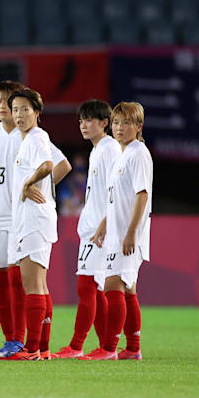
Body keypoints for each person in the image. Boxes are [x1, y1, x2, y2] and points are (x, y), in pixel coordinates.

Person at [0, 81, 71, 358]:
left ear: (32, 111)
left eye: (15, 105)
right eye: (1, 102)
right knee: (4, 282)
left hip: (23, 220)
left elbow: (60, 165)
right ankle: (18, 343)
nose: (6, 108)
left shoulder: (33, 136)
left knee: (24, 283)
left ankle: (25, 343)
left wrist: (37, 188)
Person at [80, 101, 152, 361]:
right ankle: (132, 348)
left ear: (138, 127)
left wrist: (131, 232)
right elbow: (117, 198)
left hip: (126, 234)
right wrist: (105, 223)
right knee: (128, 290)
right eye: (118, 123)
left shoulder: (138, 153)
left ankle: (109, 347)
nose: (121, 128)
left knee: (113, 286)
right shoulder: (122, 154)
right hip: (116, 231)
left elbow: (142, 196)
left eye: (127, 123)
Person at [53, 100, 121, 359]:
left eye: (90, 119)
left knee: (86, 286)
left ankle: (76, 345)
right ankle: (106, 347)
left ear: (104, 123)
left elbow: (117, 190)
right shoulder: (98, 150)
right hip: (93, 226)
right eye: (81, 120)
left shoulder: (109, 149)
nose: (83, 124)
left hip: (100, 229)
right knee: (93, 286)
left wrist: (105, 222)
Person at [0, 88, 57, 361]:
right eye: (15, 109)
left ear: (37, 112)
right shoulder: (26, 140)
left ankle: (32, 348)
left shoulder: (37, 137)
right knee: (41, 286)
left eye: (25, 109)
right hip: (32, 221)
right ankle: (43, 348)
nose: (19, 115)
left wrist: (28, 182)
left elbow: (48, 164)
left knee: (33, 285)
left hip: (34, 221)